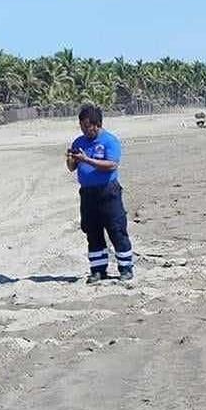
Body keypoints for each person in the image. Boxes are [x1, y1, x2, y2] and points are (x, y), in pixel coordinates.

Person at [66, 105, 135, 282]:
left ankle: (126, 268)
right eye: (81, 126)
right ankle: (98, 270)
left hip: (108, 192)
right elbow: (72, 167)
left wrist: (86, 159)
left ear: (97, 125)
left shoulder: (110, 141)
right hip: (88, 194)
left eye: (87, 126)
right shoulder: (78, 142)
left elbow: (112, 165)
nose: (84, 130)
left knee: (116, 229)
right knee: (92, 231)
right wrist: (71, 159)